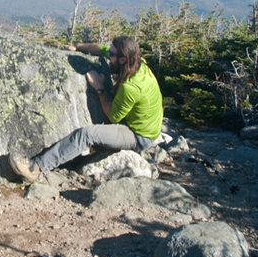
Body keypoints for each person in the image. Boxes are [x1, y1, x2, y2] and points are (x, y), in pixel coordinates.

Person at [10, 36, 163, 182]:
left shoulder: (131, 87)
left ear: (122, 59)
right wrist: (77, 46)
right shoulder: (137, 62)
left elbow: (113, 116)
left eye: (111, 54)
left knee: (86, 135)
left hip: (139, 136)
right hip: (146, 126)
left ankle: (36, 167)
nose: (108, 56)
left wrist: (100, 88)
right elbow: (100, 48)